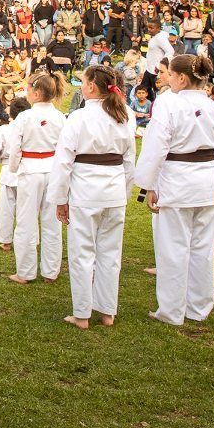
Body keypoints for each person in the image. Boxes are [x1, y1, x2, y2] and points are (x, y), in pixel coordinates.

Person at [136, 55, 214, 326]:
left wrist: (149, 185)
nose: (166, 79)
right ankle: (199, 308)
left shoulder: (170, 105)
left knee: (173, 248)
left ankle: (171, 311)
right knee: (202, 248)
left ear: (181, 77)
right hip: (205, 182)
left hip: (177, 181)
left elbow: (155, 148)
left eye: (169, 75)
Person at [48, 65, 136, 329]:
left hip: (86, 190)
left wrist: (60, 198)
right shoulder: (123, 116)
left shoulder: (78, 118)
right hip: (113, 190)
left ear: (90, 86)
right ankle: (107, 312)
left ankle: (83, 313)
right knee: (110, 253)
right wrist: (124, 191)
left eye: (84, 82)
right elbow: (129, 161)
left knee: (82, 252)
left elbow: (63, 162)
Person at [7, 70, 68, 284]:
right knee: (52, 222)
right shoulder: (60, 117)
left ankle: (25, 272)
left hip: (31, 171)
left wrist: (13, 168)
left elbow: (14, 148)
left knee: (26, 222)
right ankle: (50, 271)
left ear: (36, 92)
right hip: (53, 170)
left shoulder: (25, 117)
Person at [0, 98, 31, 250]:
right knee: (27, 209)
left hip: (9, 168)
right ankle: (28, 239)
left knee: (6, 208)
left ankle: (6, 240)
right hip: (27, 168)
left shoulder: (4, 130)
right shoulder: (31, 128)